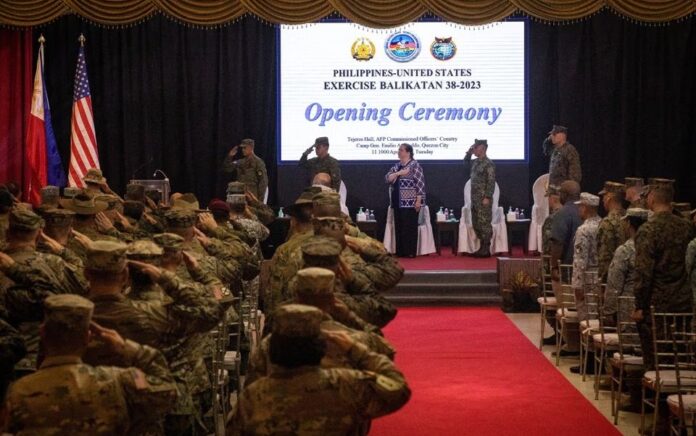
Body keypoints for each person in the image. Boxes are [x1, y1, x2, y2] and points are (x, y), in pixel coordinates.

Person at [3, 294, 176, 435]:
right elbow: (166, 389)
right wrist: (128, 349)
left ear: (42, 333)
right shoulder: (119, 381)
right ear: (88, 337)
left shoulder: (19, 392)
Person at [227, 304, 410, 435]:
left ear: (272, 349)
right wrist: (354, 349)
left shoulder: (253, 396)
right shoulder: (344, 385)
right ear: (321, 349)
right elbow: (397, 387)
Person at [633, 180, 695, 370]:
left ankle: (653, 397)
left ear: (651, 198)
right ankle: (677, 396)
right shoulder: (687, 227)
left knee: (655, 357)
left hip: (656, 303)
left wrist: (639, 306)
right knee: (680, 354)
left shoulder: (648, 230)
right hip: (683, 301)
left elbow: (644, 272)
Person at [385, 143, 425, 258]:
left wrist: (419, 200)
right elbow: (387, 178)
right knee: (399, 225)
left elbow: (420, 184)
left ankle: (410, 251)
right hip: (397, 200)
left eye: (401, 150)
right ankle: (401, 251)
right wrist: (398, 173)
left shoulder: (414, 165)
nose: (399, 152)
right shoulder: (397, 166)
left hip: (410, 201)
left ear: (408, 152)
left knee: (409, 226)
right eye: (399, 150)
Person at [464, 139, 496, 258]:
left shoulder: (489, 164)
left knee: (484, 223)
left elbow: (491, 182)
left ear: (482, 148)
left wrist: (487, 196)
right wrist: (468, 153)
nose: (474, 149)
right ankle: (481, 247)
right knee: (476, 222)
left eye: (476, 147)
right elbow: (465, 163)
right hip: (475, 198)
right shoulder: (475, 162)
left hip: (483, 198)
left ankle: (486, 248)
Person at [597, 181, 627, 282]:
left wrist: (602, 280)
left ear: (609, 197)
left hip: (612, 279)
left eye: (604, 196)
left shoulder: (608, 222)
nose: (603, 200)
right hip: (628, 275)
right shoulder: (629, 218)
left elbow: (605, 256)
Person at [541, 184, 562, 255]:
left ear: (552, 199)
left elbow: (548, 243)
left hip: (553, 257)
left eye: (548, 198)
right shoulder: (567, 215)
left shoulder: (551, 218)